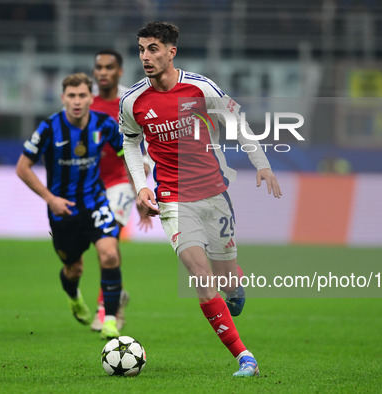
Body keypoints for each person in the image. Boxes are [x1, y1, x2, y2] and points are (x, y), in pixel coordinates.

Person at [119, 21, 282, 377]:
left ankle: (235, 282)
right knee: (200, 275)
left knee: (227, 284)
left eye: (153, 49)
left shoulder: (201, 88)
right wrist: (141, 185)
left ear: (171, 52)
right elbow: (130, 142)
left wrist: (263, 165)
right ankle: (245, 357)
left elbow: (237, 123)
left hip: (213, 195)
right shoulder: (133, 100)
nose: (145, 57)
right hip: (172, 199)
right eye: (142, 49)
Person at [16, 72, 125, 340]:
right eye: (72, 96)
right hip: (63, 211)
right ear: (63, 98)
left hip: (96, 202)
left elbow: (127, 152)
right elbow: (23, 167)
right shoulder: (49, 127)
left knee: (110, 254)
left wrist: (141, 178)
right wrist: (50, 198)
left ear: (91, 98)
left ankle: (109, 319)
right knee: (73, 268)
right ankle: (74, 295)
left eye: (82, 96)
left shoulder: (105, 124)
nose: (77, 101)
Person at [89, 48, 152, 332]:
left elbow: (145, 138)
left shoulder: (129, 100)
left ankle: (106, 308)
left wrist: (143, 175)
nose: (103, 72)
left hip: (119, 182)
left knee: (109, 241)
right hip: (87, 186)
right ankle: (118, 293)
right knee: (94, 248)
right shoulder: (82, 100)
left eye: (108, 67)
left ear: (119, 71)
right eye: (99, 67)